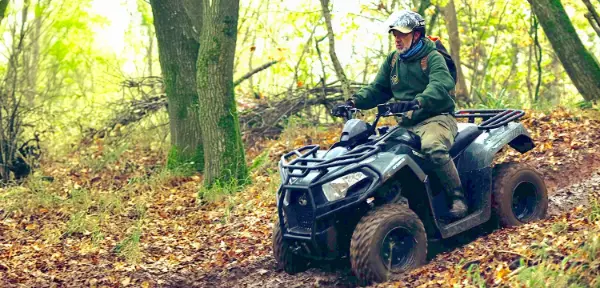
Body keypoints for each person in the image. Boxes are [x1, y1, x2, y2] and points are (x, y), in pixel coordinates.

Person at [332, 10, 467, 219]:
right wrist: (353, 102)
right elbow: (377, 89)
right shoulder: (393, 61)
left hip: (436, 118)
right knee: (378, 153)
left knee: (433, 147)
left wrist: (417, 102)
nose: (397, 38)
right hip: (407, 123)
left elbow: (441, 85)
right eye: (394, 34)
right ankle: (390, 204)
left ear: (416, 35)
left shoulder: (433, 57)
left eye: (402, 34)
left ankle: (458, 198)